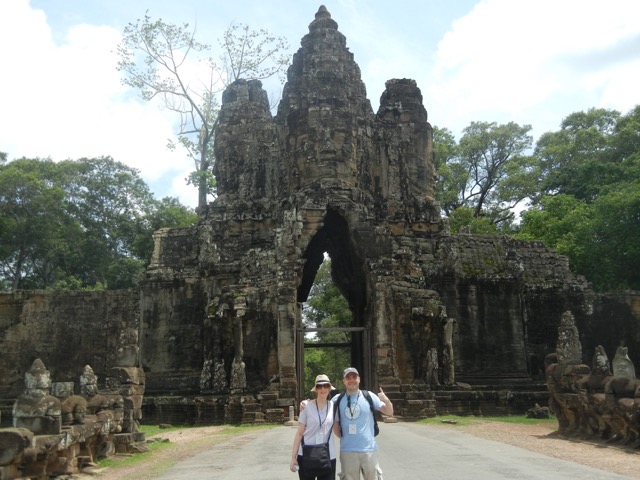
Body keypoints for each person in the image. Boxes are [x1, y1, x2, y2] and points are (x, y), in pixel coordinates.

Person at [332, 367, 393, 480]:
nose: (351, 380)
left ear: (359, 379)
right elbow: (332, 420)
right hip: (347, 451)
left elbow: (389, 412)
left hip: (369, 450)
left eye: (354, 377)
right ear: (343, 381)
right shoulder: (338, 399)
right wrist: (307, 403)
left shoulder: (369, 396)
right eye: (348, 378)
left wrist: (386, 400)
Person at [290, 374, 337, 479]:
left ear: (329, 388)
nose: (323, 389)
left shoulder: (334, 406)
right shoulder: (306, 406)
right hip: (306, 454)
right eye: (319, 386)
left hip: (328, 455)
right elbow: (299, 433)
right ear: (316, 389)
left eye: (325, 386)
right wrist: (293, 457)